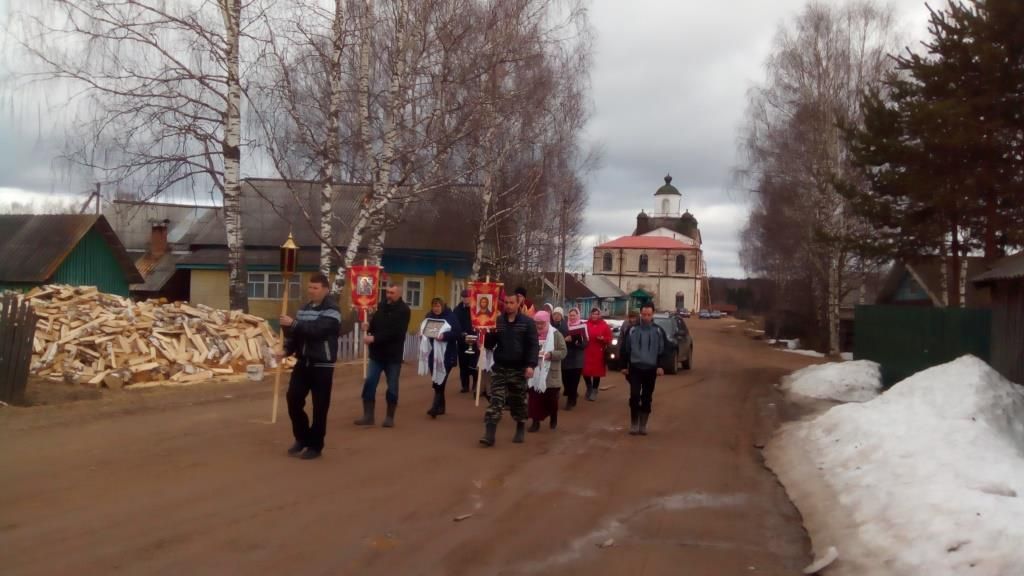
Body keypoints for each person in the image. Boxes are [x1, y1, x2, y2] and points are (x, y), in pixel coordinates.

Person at [279, 273, 341, 460]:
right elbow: (295, 336)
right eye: (310, 287)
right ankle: (302, 437)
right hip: (303, 363)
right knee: (293, 399)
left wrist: (294, 324)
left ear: (325, 290)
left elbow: (318, 331)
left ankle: (316, 445)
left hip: (322, 364)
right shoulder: (304, 308)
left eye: (315, 288)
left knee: (320, 407)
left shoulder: (332, 310)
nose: (311, 291)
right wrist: (286, 349)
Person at [480, 293, 539, 447]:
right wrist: (487, 331)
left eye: (511, 302)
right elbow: (488, 345)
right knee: (496, 401)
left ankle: (520, 426)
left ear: (518, 304)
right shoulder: (498, 322)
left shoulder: (527, 323)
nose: (508, 305)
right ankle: (489, 435)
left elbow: (533, 345)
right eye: (506, 302)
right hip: (500, 367)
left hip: (518, 369)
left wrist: (531, 365)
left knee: (517, 401)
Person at [355, 283, 411, 428]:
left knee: (392, 386)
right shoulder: (381, 307)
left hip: (393, 356)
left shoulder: (404, 311)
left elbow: (396, 332)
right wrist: (368, 327)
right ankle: (368, 416)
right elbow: (375, 325)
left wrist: (374, 338)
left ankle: (389, 417)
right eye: (387, 292)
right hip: (377, 354)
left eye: (392, 293)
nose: (388, 295)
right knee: (370, 383)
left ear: (399, 294)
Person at [619, 302, 668, 436]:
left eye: (649, 315)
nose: (646, 317)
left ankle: (643, 424)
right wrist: (623, 365)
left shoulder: (658, 331)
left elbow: (663, 350)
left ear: (653, 315)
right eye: (644, 314)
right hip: (635, 368)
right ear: (640, 314)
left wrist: (660, 366)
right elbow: (625, 349)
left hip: (651, 369)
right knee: (634, 396)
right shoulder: (632, 330)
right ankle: (634, 423)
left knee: (646, 397)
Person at [418, 297, 462, 418]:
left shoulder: (450, 317)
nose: (436, 309)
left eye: (438, 306)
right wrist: (422, 334)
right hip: (433, 353)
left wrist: (444, 336)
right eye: (434, 306)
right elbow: (424, 328)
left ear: (442, 306)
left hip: (447, 354)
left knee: (441, 379)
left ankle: (435, 407)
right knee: (435, 378)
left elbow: (457, 333)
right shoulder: (429, 316)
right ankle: (441, 407)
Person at [527, 311, 567, 433]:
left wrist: (550, 354)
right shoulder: (531, 334)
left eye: (541, 323)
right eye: (536, 323)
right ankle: (535, 422)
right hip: (535, 371)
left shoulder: (556, 334)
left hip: (550, 373)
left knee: (551, 399)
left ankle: (553, 416)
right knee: (534, 398)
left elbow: (563, 351)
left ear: (547, 322)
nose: (539, 326)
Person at [559, 307, 588, 410]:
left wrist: (576, 342)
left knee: (574, 381)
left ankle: (570, 401)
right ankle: (572, 394)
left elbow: (585, 344)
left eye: (573, 315)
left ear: (577, 315)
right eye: (570, 315)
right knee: (565, 380)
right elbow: (559, 340)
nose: (571, 317)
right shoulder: (564, 327)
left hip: (577, 358)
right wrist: (564, 339)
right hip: (565, 358)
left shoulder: (582, 327)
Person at [582, 307, 612, 401]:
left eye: (597, 314)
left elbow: (609, 339)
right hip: (587, 351)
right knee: (585, 371)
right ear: (590, 314)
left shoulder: (604, 325)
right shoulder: (585, 324)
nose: (595, 316)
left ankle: (594, 390)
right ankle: (589, 387)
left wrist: (603, 338)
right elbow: (581, 335)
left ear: (600, 315)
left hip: (598, 352)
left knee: (596, 372)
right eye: (593, 314)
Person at [453, 289, 478, 394]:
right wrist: (460, 333)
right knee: (463, 364)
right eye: (464, 297)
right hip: (462, 340)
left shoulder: (476, 309)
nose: (466, 299)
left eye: (467, 297)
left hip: (475, 340)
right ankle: (465, 385)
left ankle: (476, 383)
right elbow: (455, 324)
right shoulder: (457, 310)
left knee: (473, 363)